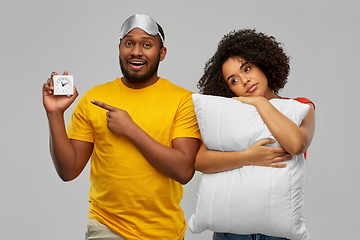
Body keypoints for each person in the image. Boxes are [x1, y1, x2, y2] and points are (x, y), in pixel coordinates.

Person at [42, 14, 201, 240]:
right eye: (129, 43)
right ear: (119, 48)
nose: (136, 51)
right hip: (107, 227)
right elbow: (68, 171)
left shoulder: (184, 101)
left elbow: (184, 171)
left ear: (162, 53)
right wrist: (55, 114)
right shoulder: (94, 99)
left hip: (165, 232)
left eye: (147, 44)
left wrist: (130, 129)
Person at [195, 29, 315, 240]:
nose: (244, 81)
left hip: (279, 231)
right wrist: (248, 157)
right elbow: (201, 161)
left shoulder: (300, 107)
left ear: (263, 63)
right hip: (231, 230)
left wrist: (260, 103)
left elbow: (296, 145)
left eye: (247, 69)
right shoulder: (229, 115)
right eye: (233, 80)